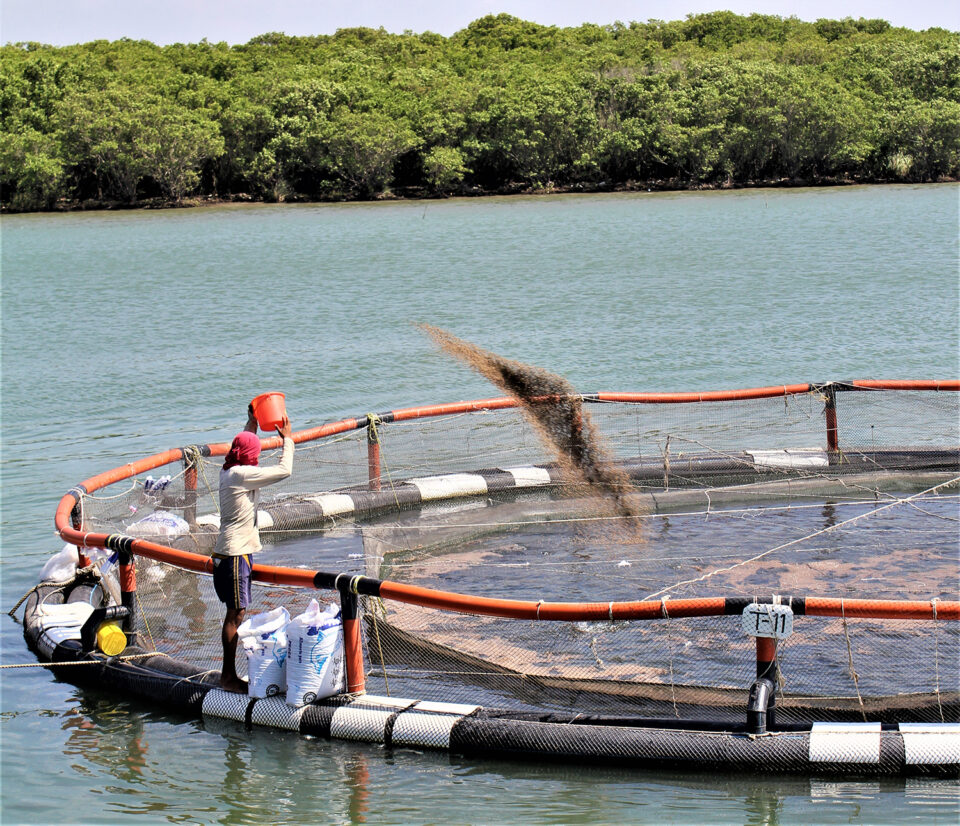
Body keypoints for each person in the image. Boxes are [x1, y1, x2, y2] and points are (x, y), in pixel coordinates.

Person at [213, 404, 294, 692]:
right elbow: (285, 470)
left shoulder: (229, 471)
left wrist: (251, 424)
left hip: (225, 555)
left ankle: (229, 674)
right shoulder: (241, 476)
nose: (257, 458)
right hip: (235, 557)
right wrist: (287, 438)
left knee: (233, 614)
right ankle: (227, 677)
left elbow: (244, 443)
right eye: (256, 454)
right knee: (235, 616)